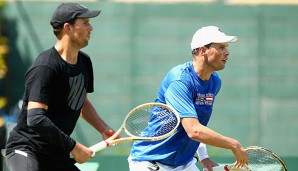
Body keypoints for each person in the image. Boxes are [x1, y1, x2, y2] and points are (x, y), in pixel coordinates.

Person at [5, 3, 117, 171]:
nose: (91, 27)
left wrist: (103, 128)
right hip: (27, 150)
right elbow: (35, 118)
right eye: (85, 22)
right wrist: (74, 147)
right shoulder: (45, 67)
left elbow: (82, 103)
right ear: (68, 28)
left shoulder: (84, 62)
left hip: (57, 154)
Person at [128, 26, 248, 171]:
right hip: (150, 161)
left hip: (184, 163)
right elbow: (194, 130)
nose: (227, 52)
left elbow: (197, 122)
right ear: (203, 50)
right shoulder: (179, 81)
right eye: (221, 47)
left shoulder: (214, 81)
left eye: (226, 47)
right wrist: (233, 144)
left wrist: (204, 157)